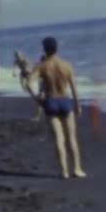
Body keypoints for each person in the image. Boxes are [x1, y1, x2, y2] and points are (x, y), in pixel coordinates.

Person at [26, 37, 87, 179]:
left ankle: (64, 171)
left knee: (59, 138)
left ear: (44, 49)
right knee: (71, 138)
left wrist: (36, 99)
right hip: (65, 101)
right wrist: (77, 105)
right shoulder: (66, 65)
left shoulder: (42, 66)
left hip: (51, 101)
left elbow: (29, 83)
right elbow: (73, 87)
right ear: (57, 48)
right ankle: (77, 169)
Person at [13, 51, 45, 122]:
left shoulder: (26, 61)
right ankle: (37, 116)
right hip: (38, 81)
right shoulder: (17, 61)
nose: (19, 57)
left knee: (41, 99)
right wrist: (14, 72)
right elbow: (16, 67)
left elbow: (30, 70)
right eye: (17, 56)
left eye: (20, 56)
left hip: (31, 74)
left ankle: (38, 115)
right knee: (40, 100)